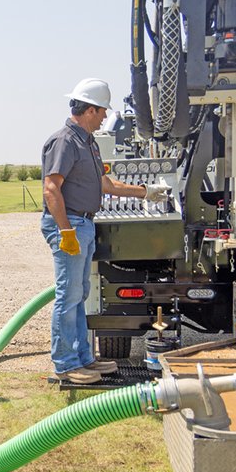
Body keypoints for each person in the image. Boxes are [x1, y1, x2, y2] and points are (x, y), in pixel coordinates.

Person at [41, 78, 169, 384]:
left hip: (84, 223)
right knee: (68, 297)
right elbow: (50, 189)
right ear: (89, 110)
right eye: (101, 113)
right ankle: (66, 364)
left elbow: (105, 184)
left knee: (81, 294)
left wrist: (146, 191)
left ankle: (84, 359)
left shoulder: (87, 142)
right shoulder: (64, 142)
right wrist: (65, 232)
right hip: (69, 225)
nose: (104, 118)